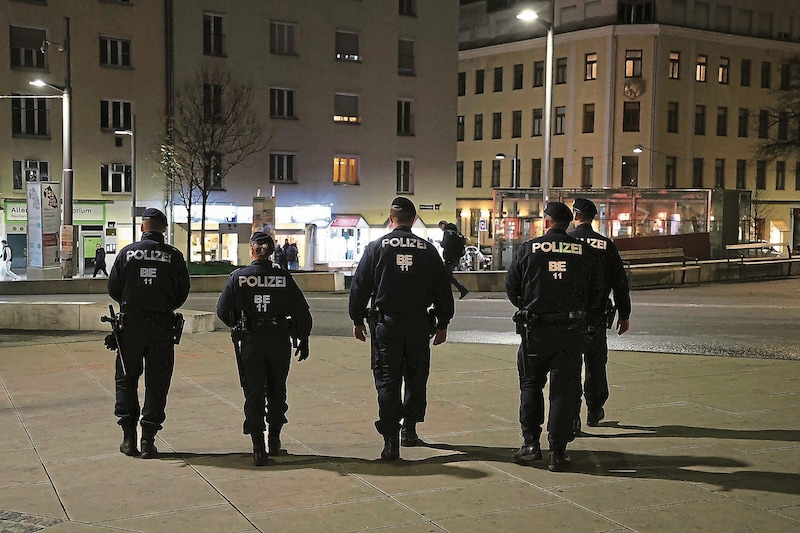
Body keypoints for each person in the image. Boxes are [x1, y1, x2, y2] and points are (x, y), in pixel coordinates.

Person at [349, 197, 455, 460]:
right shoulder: (428, 249)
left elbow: (360, 286)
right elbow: (443, 290)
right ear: (414, 219)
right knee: (416, 377)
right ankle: (409, 429)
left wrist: (356, 319)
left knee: (387, 378)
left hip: (386, 324)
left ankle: (390, 440)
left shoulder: (376, 248)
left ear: (390, 217)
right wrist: (442, 323)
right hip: (419, 323)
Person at [505, 202, 602, 472]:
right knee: (564, 391)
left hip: (535, 331)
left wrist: (530, 306)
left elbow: (512, 288)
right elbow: (597, 292)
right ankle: (558, 452)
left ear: (546, 222)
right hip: (571, 331)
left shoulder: (528, 249)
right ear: (569, 222)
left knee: (531, 385)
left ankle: (531, 445)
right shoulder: (585, 252)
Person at [216, 232, 313, 466]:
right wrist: (302, 338)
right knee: (277, 390)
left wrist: (239, 324)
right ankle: (275, 440)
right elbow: (302, 312)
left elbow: (222, 310)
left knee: (254, 392)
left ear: (252, 251)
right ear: (271, 252)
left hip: (251, 340)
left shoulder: (239, 278)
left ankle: (258, 448)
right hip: (278, 339)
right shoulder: (283, 277)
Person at [106, 208, 190, 459]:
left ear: (143, 227)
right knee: (157, 381)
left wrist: (133, 303)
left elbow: (113, 289)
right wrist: (163, 306)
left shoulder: (126, 253)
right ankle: (148, 439)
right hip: (161, 326)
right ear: (163, 228)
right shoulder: (173, 256)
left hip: (130, 326)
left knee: (126, 379)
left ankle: (128, 439)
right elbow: (182, 292)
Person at [569, 198, 631, 430]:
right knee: (596, 364)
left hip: (569, 317)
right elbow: (620, 283)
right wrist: (624, 314)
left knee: (570, 366)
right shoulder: (606, 245)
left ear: (576, 215)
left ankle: (572, 415)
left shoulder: (566, 242)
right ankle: (594, 410)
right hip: (596, 315)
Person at [438, 220, 470, 299]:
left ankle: (461, 289)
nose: (441, 229)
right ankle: (455, 290)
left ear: (443, 225)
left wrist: (441, 243)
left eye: (441, 227)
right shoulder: (456, 232)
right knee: (447, 275)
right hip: (456, 257)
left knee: (447, 275)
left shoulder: (447, 232)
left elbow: (446, 244)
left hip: (450, 257)